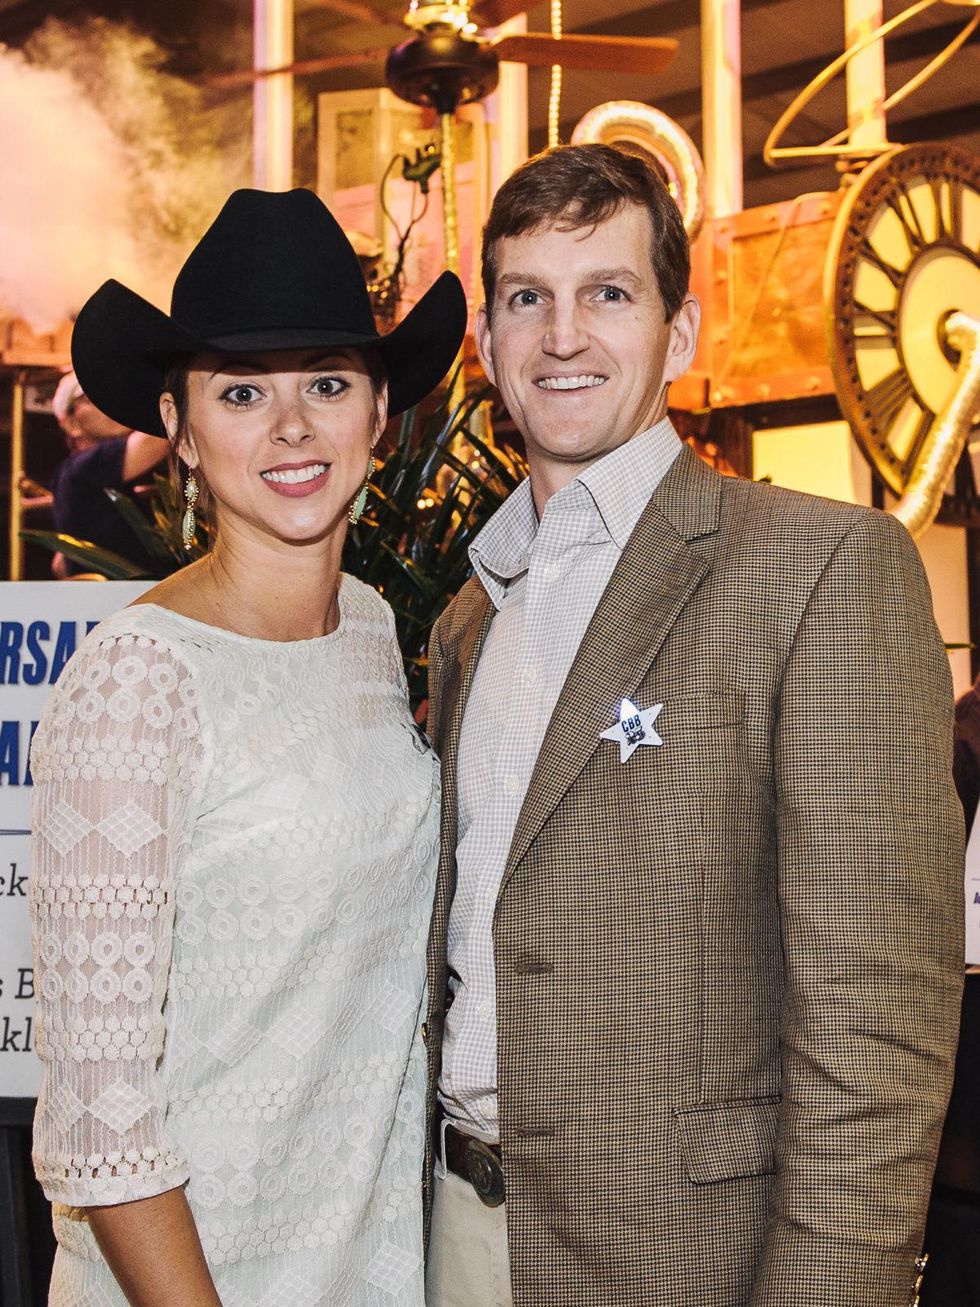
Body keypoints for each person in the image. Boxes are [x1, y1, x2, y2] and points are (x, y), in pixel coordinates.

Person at [422, 143, 964, 1307]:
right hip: (452, 1237)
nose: (561, 336)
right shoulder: (471, 614)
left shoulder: (818, 569)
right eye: (527, 298)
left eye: (606, 294)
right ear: (486, 344)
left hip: (688, 1262)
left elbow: (874, 1030)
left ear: (677, 334)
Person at [29, 187, 466, 1306]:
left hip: (370, 1264)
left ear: (378, 411)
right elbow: (103, 1120)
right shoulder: (138, 682)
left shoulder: (370, 628)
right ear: (176, 429)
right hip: (193, 1276)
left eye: (327, 383)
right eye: (239, 393)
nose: (291, 427)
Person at [49, 370, 169, 577]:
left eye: (110, 394)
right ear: (70, 423)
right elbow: (162, 433)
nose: (109, 403)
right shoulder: (84, 466)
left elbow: (59, 563)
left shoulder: (72, 475)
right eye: (91, 397)